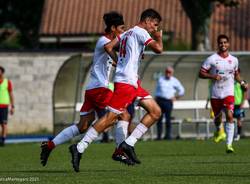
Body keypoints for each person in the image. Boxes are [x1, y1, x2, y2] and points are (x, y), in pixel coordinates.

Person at [69, 8, 163, 172]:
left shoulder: (126, 33)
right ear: (147, 20)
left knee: (155, 111)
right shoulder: (141, 32)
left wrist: (120, 62)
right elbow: (159, 49)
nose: (155, 28)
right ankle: (79, 147)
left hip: (133, 82)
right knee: (111, 118)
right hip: (126, 82)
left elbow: (109, 47)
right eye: (154, 25)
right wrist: (159, 38)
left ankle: (127, 144)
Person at [40, 11, 133, 166]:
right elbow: (118, 44)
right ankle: (118, 151)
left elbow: (117, 55)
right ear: (113, 28)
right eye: (121, 28)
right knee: (123, 115)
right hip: (100, 89)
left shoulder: (108, 43)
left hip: (92, 89)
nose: (123, 31)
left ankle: (49, 145)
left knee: (83, 126)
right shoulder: (103, 41)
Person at [199, 34, 248, 153]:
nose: (223, 44)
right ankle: (218, 130)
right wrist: (212, 76)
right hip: (216, 93)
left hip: (228, 92)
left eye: (225, 42)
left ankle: (229, 144)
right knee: (217, 118)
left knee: (230, 116)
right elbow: (201, 73)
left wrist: (241, 82)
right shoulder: (211, 59)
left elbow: (236, 75)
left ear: (229, 44)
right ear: (218, 44)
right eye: (221, 42)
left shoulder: (234, 60)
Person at [155, 66, 185, 140]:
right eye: (167, 71)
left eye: (170, 72)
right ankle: (159, 136)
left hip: (168, 102)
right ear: (165, 72)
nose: (168, 73)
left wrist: (176, 97)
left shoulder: (175, 81)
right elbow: (157, 90)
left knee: (168, 119)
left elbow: (182, 90)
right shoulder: (161, 79)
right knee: (159, 119)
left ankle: (168, 136)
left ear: (172, 73)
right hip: (159, 101)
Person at [0, 66, 14, 146]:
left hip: (4, 106)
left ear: (2, 72)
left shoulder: (7, 82)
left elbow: (11, 94)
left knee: (4, 124)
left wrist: (12, 106)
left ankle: (3, 140)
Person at [233, 69, 247, 141]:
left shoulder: (242, 82)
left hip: (239, 104)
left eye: (237, 72)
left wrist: (242, 102)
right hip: (231, 104)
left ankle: (238, 135)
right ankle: (232, 135)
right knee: (230, 119)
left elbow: (244, 93)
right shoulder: (230, 82)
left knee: (239, 120)